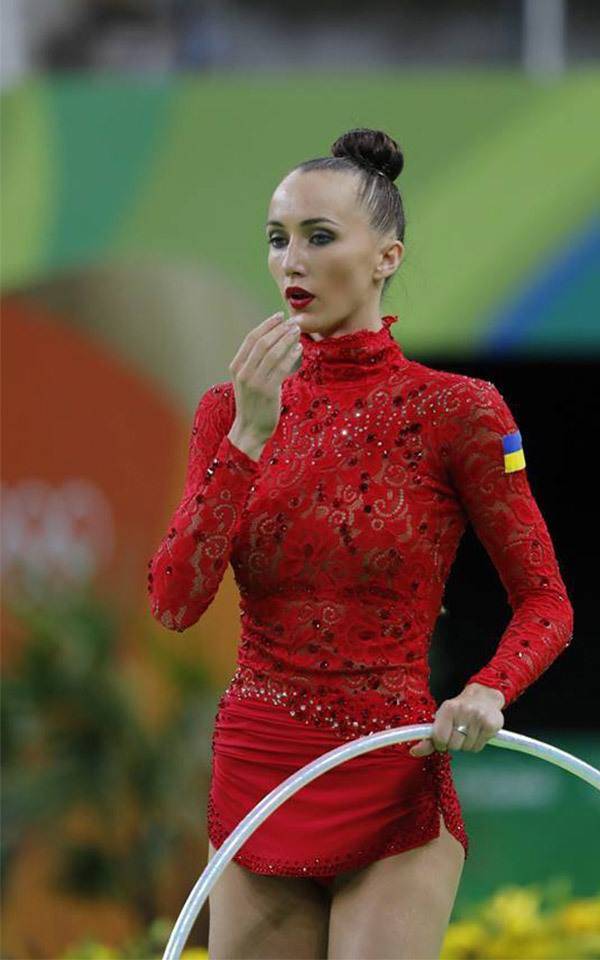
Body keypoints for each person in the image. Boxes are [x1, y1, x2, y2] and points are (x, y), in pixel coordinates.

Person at [147, 127, 574, 959]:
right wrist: (246, 439)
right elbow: (172, 602)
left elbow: (546, 602)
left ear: (387, 256)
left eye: (319, 237)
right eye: (277, 240)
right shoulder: (227, 411)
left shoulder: (459, 412)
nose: (290, 261)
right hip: (260, 774)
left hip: (392, 774)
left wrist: (489, 690)